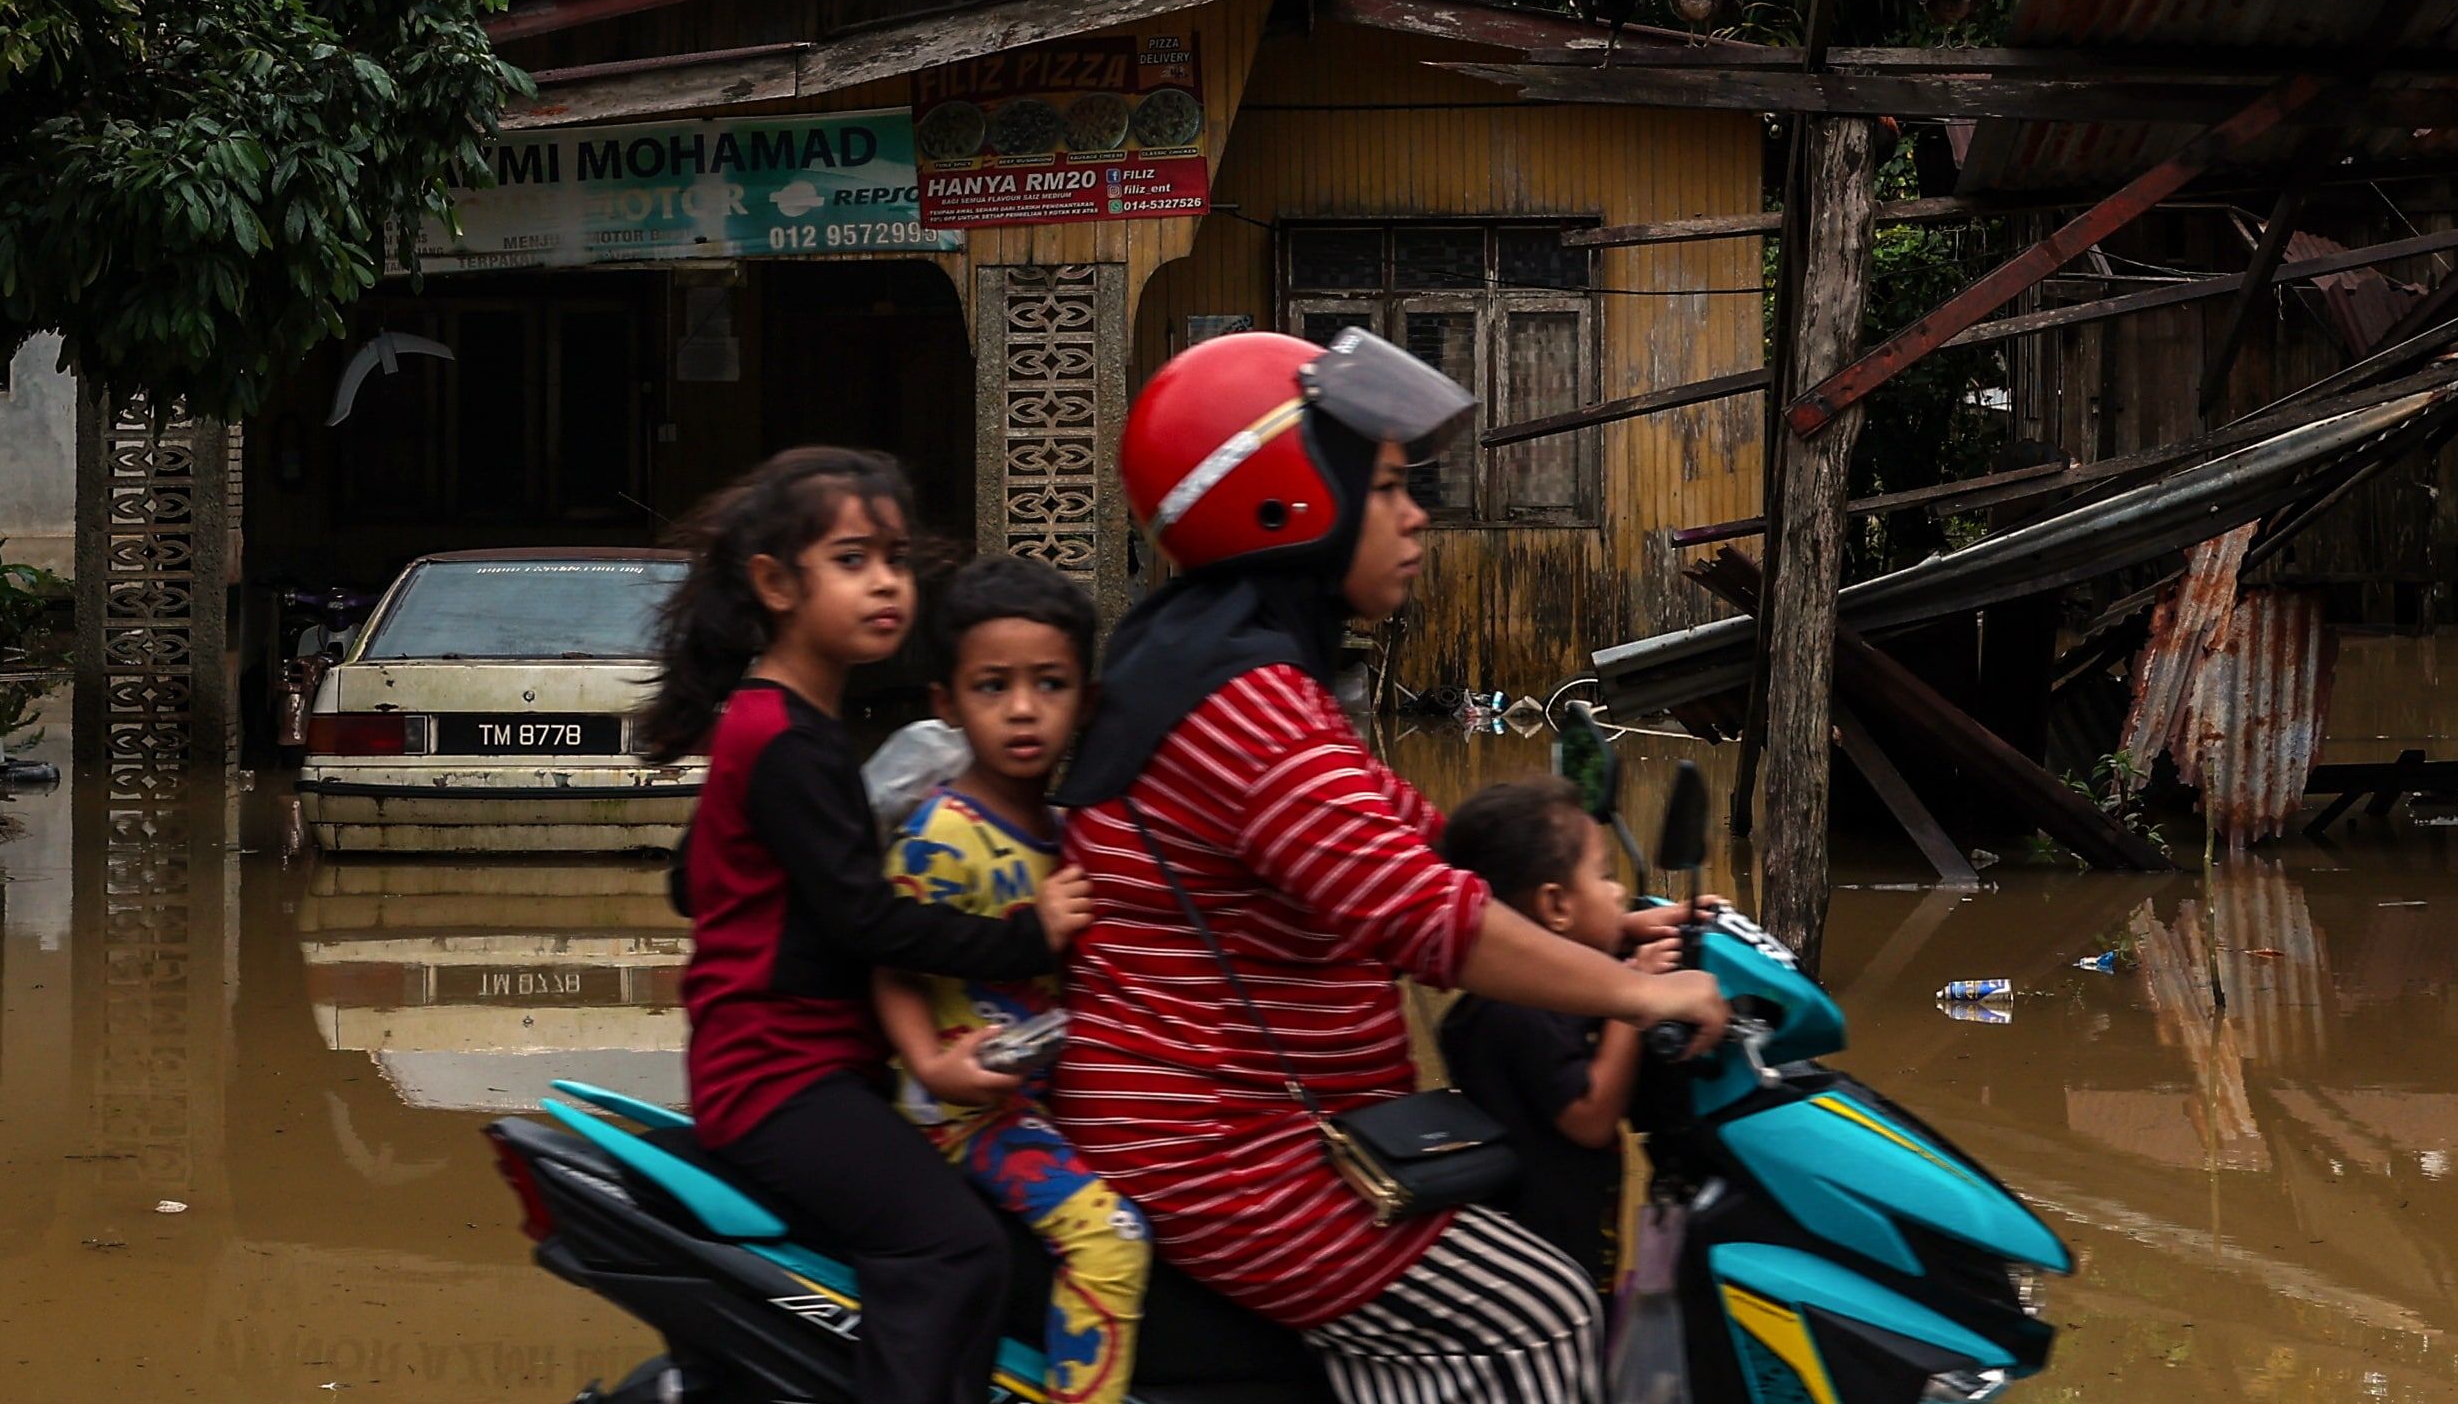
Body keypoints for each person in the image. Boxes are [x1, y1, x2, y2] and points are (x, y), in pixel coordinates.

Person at [1050, 332, 1728, 1404]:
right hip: (1217, 1149)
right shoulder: (1244, 703)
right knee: (1540, 1312)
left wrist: (1616, 922)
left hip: (1264, 1128)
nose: (1415, 516)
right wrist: (1636, 991)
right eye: (1384, 488)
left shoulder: (1240, 669)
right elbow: (1426, 914)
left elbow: (1423, 847)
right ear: (1286, 503)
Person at [639, 445, 1093, 1404]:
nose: (886, 582)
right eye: (852, 559)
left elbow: (692, 880)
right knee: (950, 1249)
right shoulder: (783, 739)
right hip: (779, 1077)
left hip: (794, 1067)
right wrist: (1029, 934)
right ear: (775, 584)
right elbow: (869, 921)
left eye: (895, 558)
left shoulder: (779, 726)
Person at [875, 553, 1148, 1404]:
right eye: (992, 686)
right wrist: (932, 1065)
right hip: (965, 1116)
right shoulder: (943, 835)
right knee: (1113, 1240)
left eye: (1049, 684)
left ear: (1086, 701)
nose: (1023, 709)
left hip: (1035, 1097)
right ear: (948, 703)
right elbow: (891, 960)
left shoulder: (1071, 830)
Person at [1434, 776, 1679, 1285]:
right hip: (1543, 1258)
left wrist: (1634, 929)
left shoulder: (1517, 987)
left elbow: (1576, 956)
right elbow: (1590, 1117)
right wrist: (1634, 995)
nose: (1619, 892)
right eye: (1604, 876)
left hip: (1566, 1235)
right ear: (1556, 906)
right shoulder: (1518, 1011)